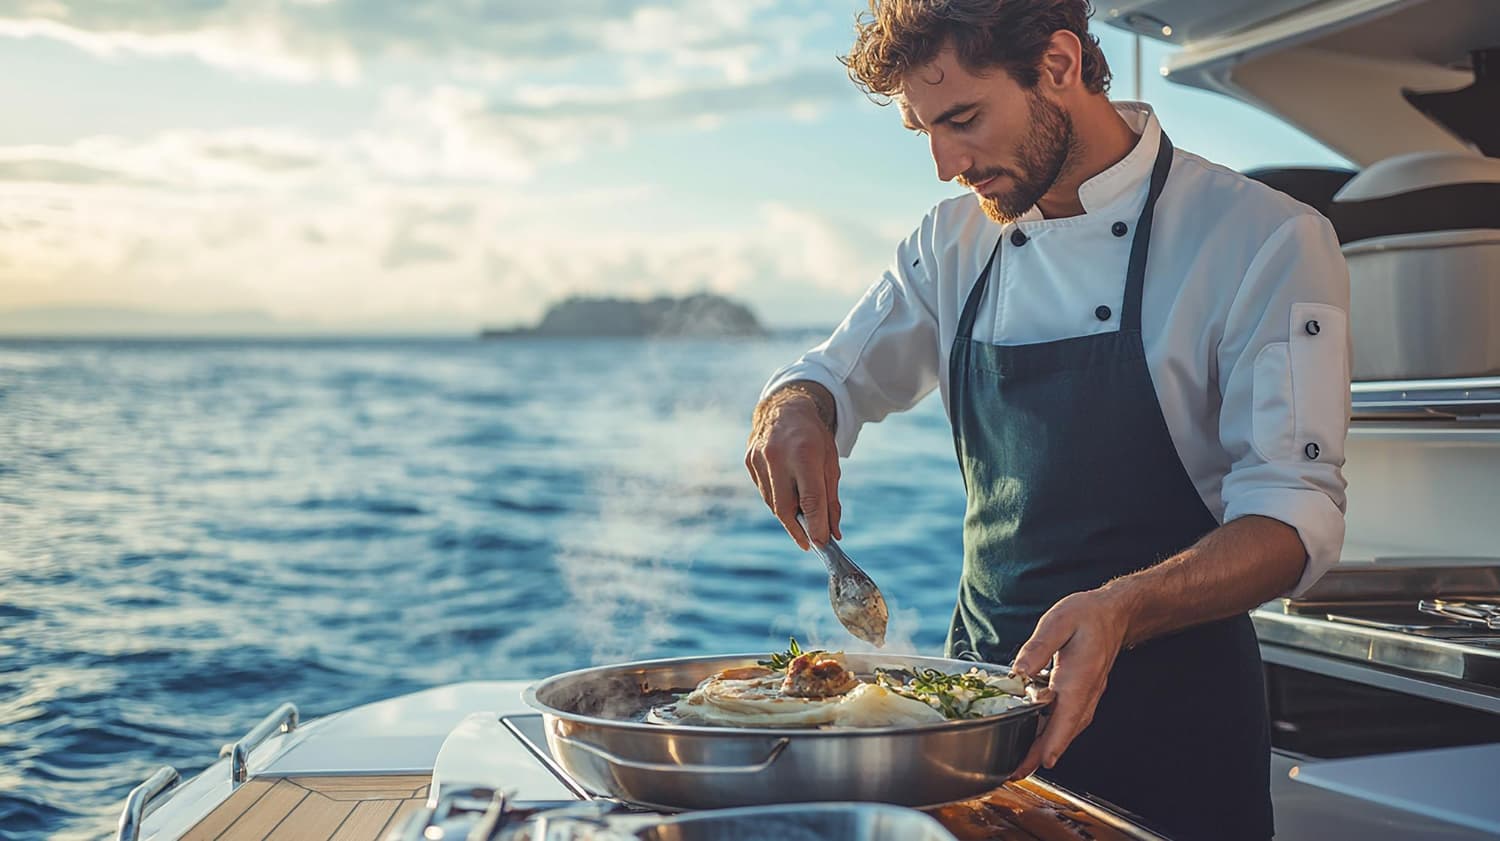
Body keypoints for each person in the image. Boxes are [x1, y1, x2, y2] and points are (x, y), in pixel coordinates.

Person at [743, 2, 1351, 838]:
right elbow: (830, 376)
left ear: (1060, 66)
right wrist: (792, 409)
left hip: (1175, 744)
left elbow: (1294, 518)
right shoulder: (952, 241)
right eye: (925, 128)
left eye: (963, 119)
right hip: (976, 735)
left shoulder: (1263, 239)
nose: (946, 163)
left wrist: (1120, 607)